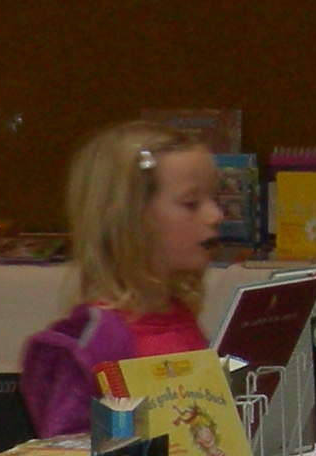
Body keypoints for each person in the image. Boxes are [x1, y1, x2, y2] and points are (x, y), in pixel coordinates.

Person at [17, 119, 226, 436]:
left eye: (215, 199)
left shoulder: (179, 317)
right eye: (191, 204)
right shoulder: (96, 342)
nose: (215, 215)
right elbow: (69, 454)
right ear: (131, 220)